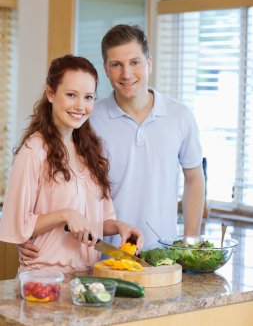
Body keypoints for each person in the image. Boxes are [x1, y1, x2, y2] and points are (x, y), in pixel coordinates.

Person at [17, 24, 205, 259]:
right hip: (102, 256)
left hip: (163, 254)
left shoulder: (180, 116)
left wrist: (189, 244)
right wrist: (24, 235)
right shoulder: (87, 119)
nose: (126, 74)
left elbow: (195, 179)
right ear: (106, 69)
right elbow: (51, 181)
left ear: (149, 63)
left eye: (135, 62)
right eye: (116, 65)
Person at [0, 54, 143, 273]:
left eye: (88, 97)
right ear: (51, 93)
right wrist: (64, 214)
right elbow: (17, 224)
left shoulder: (90, 151)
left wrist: (119, 226)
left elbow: (97, 222)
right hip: (44, 278)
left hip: (86, 276)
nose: (80, 106)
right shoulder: (34, 150)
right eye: (71, 95)